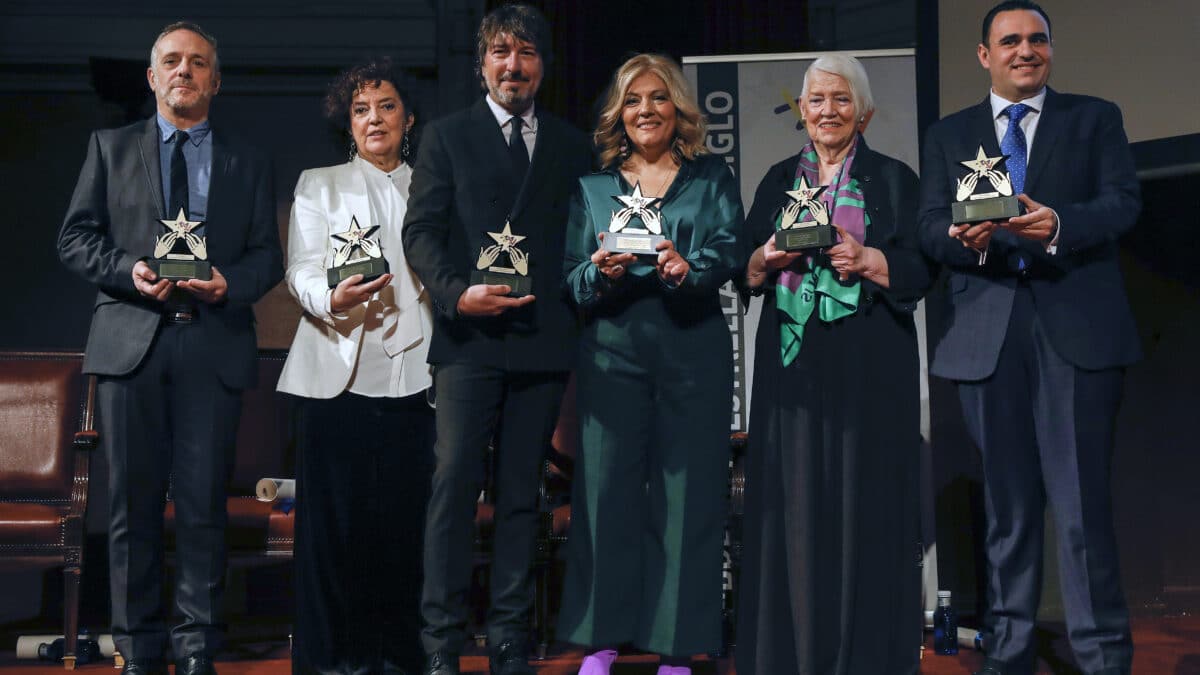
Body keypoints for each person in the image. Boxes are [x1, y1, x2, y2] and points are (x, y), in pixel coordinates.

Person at [917, 2, 1140, 674]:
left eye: (1036, 39)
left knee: (1080, 508)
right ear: (983, 55)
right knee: (1007, 511)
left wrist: (1058, 224)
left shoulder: (1093, 117)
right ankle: (1009, 649)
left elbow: (1123, 201)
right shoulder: (949, 133)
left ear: (1050, 50)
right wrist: (962, 238)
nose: (1025, 50)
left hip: (1076, 326)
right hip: (988, 331)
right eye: (1009, 40)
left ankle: (1101, 652)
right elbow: (928, 225)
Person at [56, 21, 282, 675]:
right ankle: (139, 644)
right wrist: (128, 269)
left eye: (198, 62)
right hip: (132, 344)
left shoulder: (248, 159)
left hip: (211, 344)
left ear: (216, 79)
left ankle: (195, 646)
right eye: (172, 62)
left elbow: (267, 257)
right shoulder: (110, 147)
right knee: (130, 506)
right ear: (154, 78)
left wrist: (228, 283)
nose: (185, 71)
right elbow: (74, 238)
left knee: (205, 503)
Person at [400, 5, 592, 675]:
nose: (515, 65)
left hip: (542, 342)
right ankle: (440, 641)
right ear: (482, 62)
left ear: (543, 65)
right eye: (502, 52)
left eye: (528, 53)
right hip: (467, 340)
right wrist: (456, 294)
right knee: (453, 486)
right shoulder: (446, 137)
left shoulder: (572, 144)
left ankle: (510, 634)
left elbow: (584, 240)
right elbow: (419, 233)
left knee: (521, 493)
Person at [734, 54, 935, 675]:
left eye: (841, 100)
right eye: (816, 100)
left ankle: (866, 655)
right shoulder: (775, 180)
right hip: (792, 370)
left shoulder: (895, 179)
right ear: (801, 111)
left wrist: (868, 258)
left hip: (870, 366)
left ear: (864, 111)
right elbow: (742, 267)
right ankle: (793, 653)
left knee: (865, 505)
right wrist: (766, 256)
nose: (827, 111)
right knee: (791, 508)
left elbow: (925, 270)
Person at [557, 53, 744, 675]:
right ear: (619, 113)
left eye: (658, 98)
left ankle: (675, 648)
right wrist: (600, 271)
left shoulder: (711, 178)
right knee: (605, 499)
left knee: (688, 501)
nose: (646, 110)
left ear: (678, 109)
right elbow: (573, 280)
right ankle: (602, 642)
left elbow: (729, 251)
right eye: (633, 100)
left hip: (693, 352)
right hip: (613, 354)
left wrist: (690, 269)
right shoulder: (593, 188)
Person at [276, 57, 434, 675]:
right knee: (331, 538)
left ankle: (397, 661)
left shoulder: (434, 185)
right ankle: (327, 663)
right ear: (348, 121)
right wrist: (329, 298)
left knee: (403, 534)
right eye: (362, 108)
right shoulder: (320, 184)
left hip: (418, 377)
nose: (375, 118)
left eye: (387, 106)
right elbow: (301, 270)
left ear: (409, 119)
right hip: (334, 377)